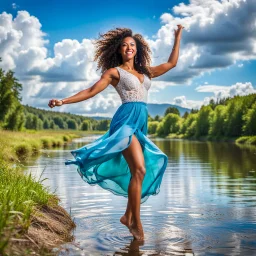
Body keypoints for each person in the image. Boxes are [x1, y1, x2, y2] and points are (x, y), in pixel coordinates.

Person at [48, 25, 184, 241]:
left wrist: (178, 36)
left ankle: (127, 215)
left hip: (140, 123)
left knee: (140, 170)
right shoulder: (114, 72)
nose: (129, 47)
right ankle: (136, 223)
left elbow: (171, 63)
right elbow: (91, 91)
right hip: (125, 122)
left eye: (132, 45)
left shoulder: (145, 72)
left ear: (137, 49)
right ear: (119, 50)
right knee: (139, 169)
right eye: (124, 45)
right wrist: (63, 101)